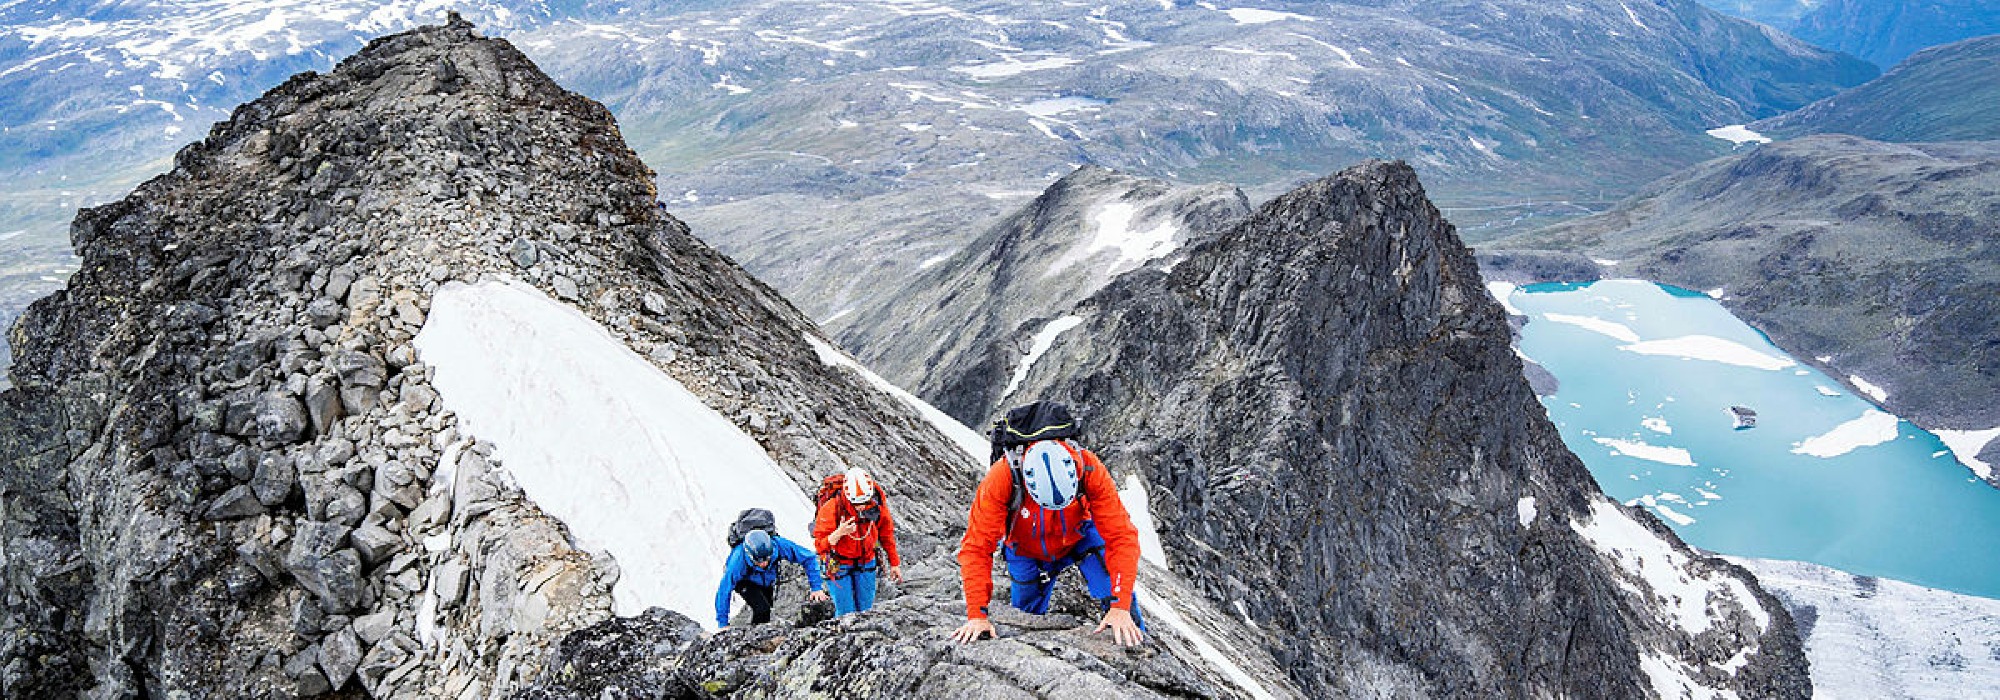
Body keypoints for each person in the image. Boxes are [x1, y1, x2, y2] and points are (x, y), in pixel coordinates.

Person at [953, 401, 1146, 646]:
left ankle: (1138, 643)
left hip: (1079, 535)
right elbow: (977, 547)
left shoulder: (1088, 467)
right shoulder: (1001, 478)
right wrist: (976, 615)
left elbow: (1121, 536)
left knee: (1121, 600)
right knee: (1025, 619)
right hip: (1026, 550)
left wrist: (1120, 605)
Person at [814, 467, 904, 616]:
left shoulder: (876, 505)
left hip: (866, 561)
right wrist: (838, 534)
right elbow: (819, 545)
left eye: (864, 502)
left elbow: (886, 534)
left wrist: (894, 563)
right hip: (839, 563)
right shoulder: (832, 507)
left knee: (866, 611)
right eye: (856, 503)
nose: (861, 506)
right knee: (845, 613)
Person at [714, 529, 829, 628]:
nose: (764, 563)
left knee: (767, 610)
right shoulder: (737, 561)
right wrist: (723, 623)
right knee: (762, 609)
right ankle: (756, 639)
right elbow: (724, 589)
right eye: (759, 561)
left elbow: (808, 558)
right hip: (745, 581)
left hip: (767, 579)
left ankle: (759, 635)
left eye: (767, 559)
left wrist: (816, 588)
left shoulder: (780, 545)